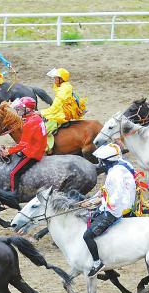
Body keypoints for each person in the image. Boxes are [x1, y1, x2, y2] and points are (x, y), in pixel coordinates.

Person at [81, 143, 137, 276]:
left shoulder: (116, 173)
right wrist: (91, 200)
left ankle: (97, 263)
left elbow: (116, 196)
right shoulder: (117, 167)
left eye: (101, 161)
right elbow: (106, 189)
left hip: (117, 208)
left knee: (87, 236)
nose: (100, 164)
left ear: (107, 161)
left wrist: (98, 202)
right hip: (114, 203)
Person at [0, 97, 47, 191]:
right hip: (36, 146)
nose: (17, 109)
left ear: (28, 109)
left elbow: (23, 144)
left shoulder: (29, 123)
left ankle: (14, 194)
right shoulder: (35, 117)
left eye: (19, 108)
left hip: (33, 153)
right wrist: (10, 148)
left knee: (13, 174)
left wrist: (8, 151)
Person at [39, 68, 86, 152]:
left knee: (43, 129)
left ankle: (46, 149)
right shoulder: (64, 86)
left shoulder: (63, 90)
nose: (54, 79)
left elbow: (54, 108)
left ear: (61, 79)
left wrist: (41, 112)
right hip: (61, 111)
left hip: (61, 115)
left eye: (56, 77)